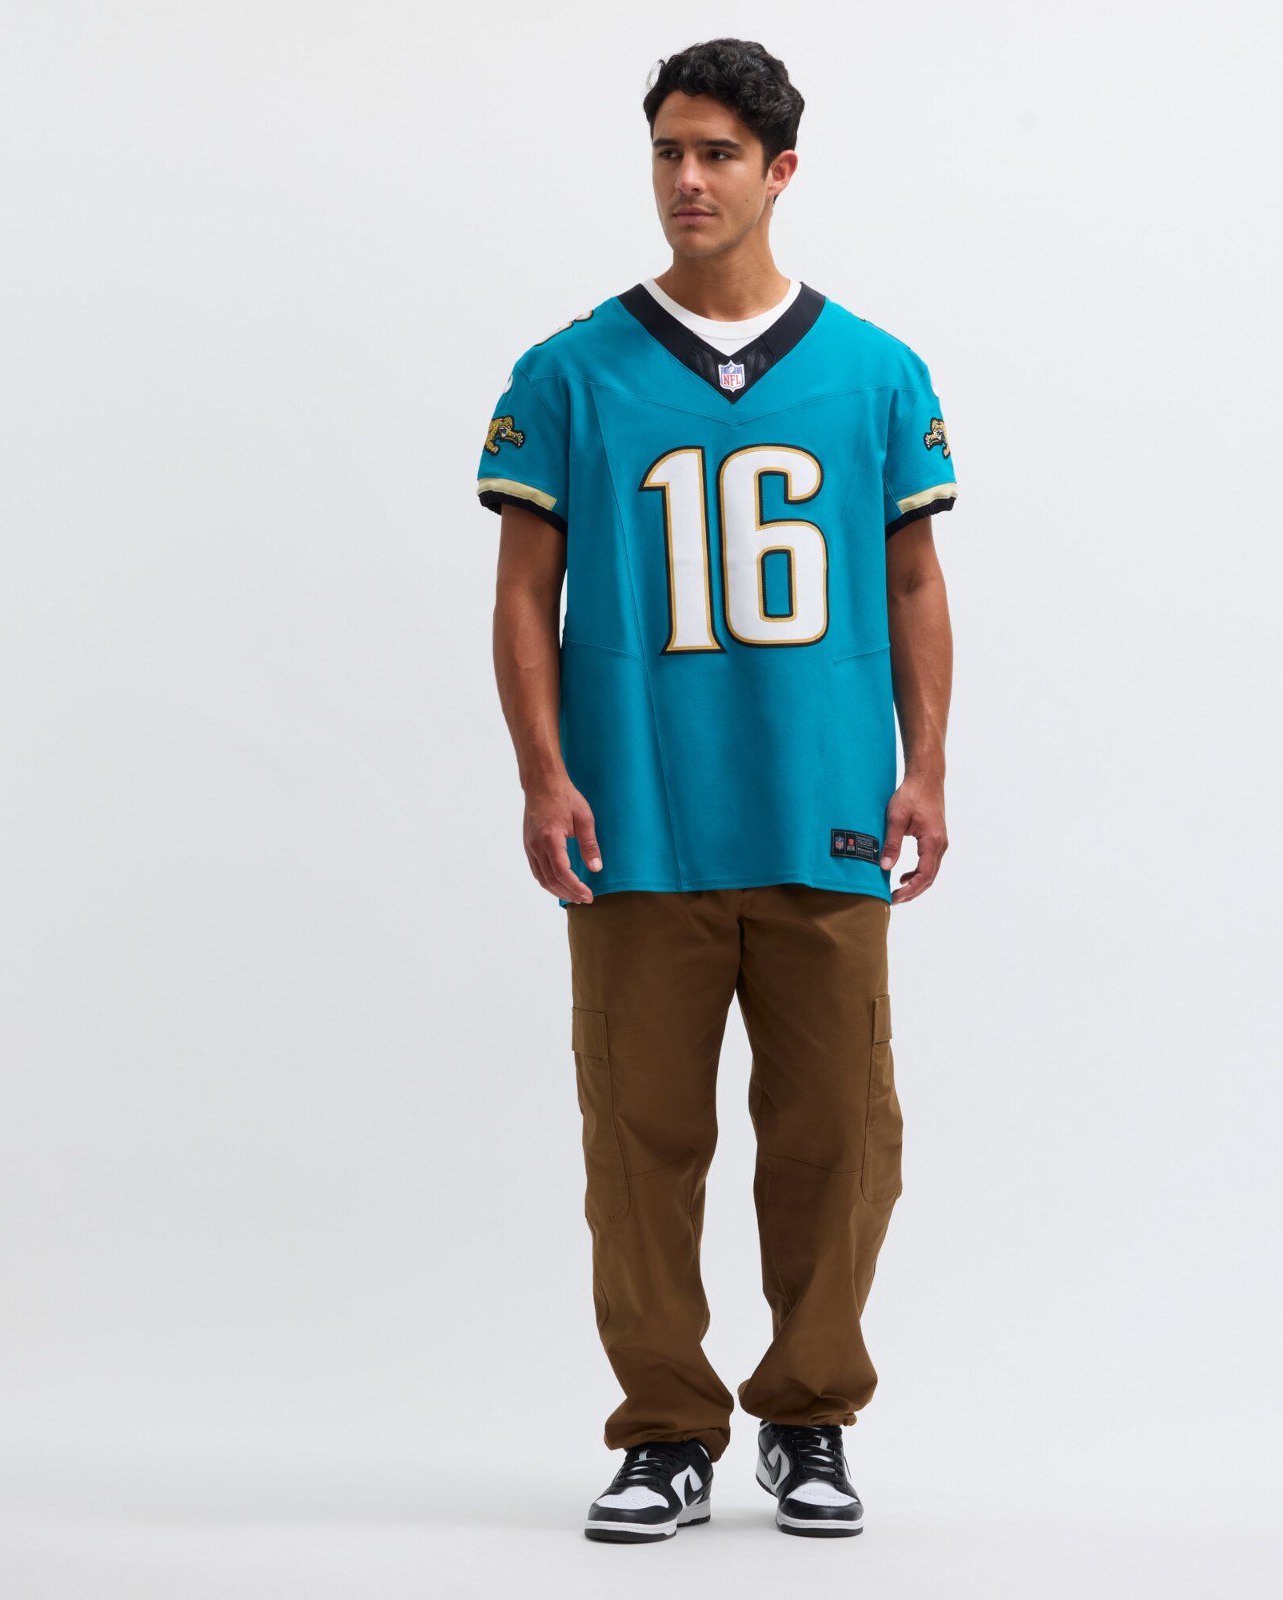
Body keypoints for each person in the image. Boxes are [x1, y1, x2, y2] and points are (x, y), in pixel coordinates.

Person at [481, 37, 955, 1543]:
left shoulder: (876, 372)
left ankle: (809, 1416)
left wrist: (926, 766)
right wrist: (544, 774)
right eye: (668, 152)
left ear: (779, 171)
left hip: (825, 814)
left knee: (841, 1138)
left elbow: (915, 577)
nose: (687, 180)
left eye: (718, 155)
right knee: (639, 1145)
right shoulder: (569, 372)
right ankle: (667, 1431)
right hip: (638, 824)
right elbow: (524, 587)